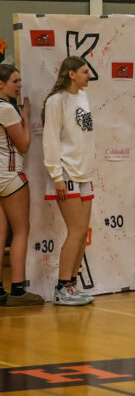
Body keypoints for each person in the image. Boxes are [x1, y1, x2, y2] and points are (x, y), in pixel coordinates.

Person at [42, 56, 96, 305]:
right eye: (85, 71)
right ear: (72, 74)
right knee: (75, 231)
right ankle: (62, 288)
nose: (89, 75)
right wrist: (56, 176)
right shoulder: (56, 101)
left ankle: (72, 285)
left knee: (82, 232)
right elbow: (50, 140)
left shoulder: (83, 97)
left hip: (85, 173)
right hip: (66, 172)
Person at [0, 65, 43, 306]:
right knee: (21, 231)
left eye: (20, 80)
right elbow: (24, 145)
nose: (19, 85)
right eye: (14, 81)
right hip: (9, 175)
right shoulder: (6, 109)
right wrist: (25, 117)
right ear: (0, 84)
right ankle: (17, 290)